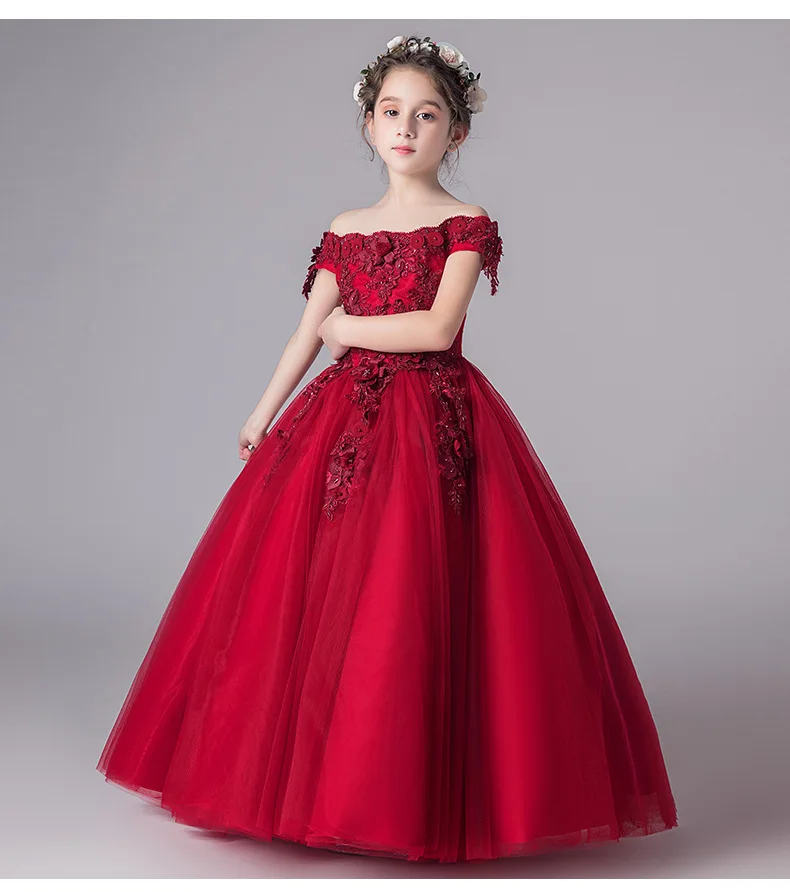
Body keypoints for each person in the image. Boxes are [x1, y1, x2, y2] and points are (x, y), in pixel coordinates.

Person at [96, 33, 679, 864]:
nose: (406, 127)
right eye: (391, 112)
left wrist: (348, 330)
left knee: (413, 589)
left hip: (433, 419)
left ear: (457, 131)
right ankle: (311, 783)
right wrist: (263, 409)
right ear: (369, 124)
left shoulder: (466, 225)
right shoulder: (346, 227)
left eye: (427, 114)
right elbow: (306, 332)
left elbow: (437, 329)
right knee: (316, 592)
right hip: (337, 425)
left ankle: (401, 788)